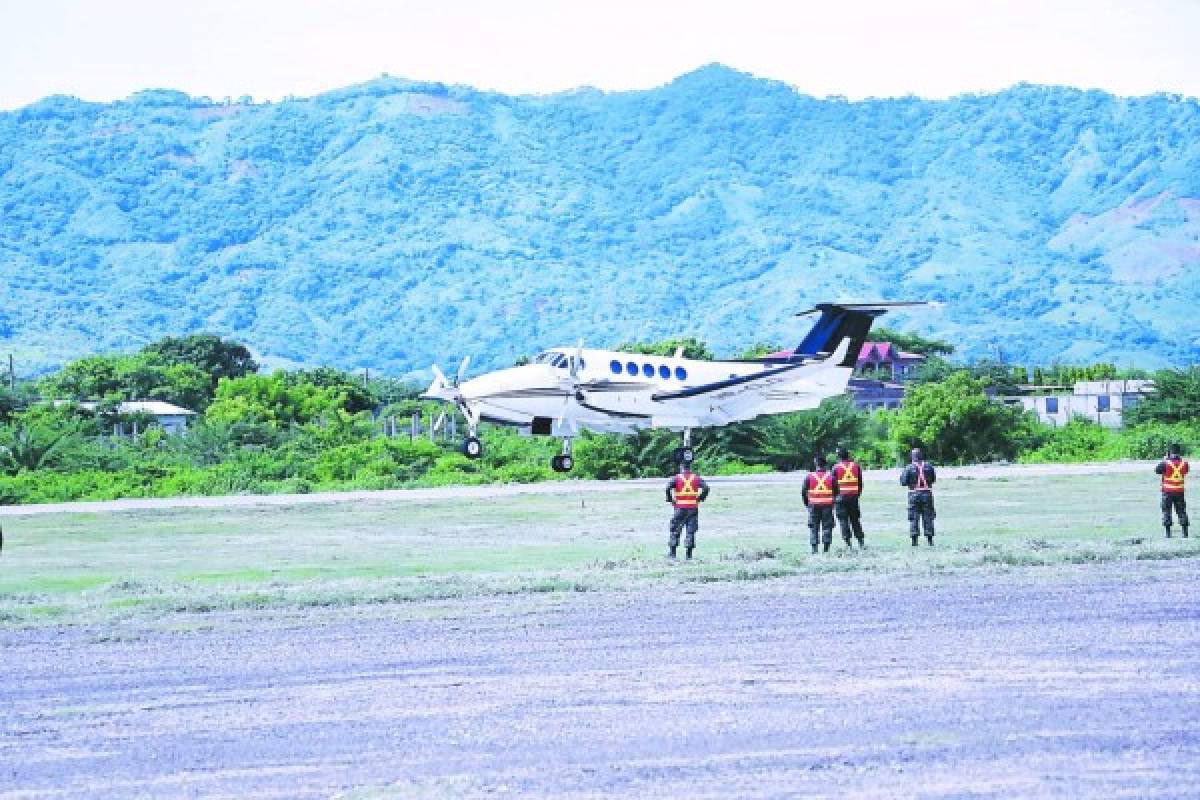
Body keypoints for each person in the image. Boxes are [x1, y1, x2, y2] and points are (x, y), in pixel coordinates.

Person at [665, 461, 710, 560]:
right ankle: (688, 555)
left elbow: (668, 487)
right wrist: (700, 498)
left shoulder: (676, 478)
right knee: (691, 531)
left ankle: (672, 554)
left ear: (681, 467)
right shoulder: (696, 478)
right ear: (690, 468)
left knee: (675, 529)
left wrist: (669, 498)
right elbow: (706, 488)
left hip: (679, 508)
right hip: (693, 508)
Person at [802, 454, 839, 554]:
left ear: (816, 464)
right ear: (825, 464)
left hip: (813, 506)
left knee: (814, 527)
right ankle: (826, 549)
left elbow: (804, 492)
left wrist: (808, 504)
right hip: (827, 506)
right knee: (827, 527)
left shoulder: (809, 476)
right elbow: (837, 492)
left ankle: (814, 550)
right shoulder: (831, 477)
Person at [900, 448, 937, 546]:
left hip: (914, 494)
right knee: (928, 517)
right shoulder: (929, 466)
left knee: (913, 517)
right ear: (921, 456)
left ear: (912, 457)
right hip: (927, 494)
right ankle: (930, 540)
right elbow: (933, 480)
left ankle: (914, 541)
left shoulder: (908, 467)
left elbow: (903, 482)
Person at [833, 446, 866, 548]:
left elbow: (832, 485)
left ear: (838, 456)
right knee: (855, 519)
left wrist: (834, 498)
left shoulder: (835, 468)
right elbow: (860, 483)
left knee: (843, 521)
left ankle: (848, 544)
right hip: (853, 497)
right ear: (848, 454)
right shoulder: (856, 466)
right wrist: (857, 494)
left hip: (840, 499)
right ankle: (861, 542)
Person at [1155, 443, 1189, 538]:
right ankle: (1185, 532)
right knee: (1182, 511)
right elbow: (1186, 471)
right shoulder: (1184, 464)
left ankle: (1168, 534)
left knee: (1166, 511)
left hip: (1167, 492)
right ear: (1179, 452)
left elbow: (1157, 470)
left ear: (1169, 452)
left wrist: (1165, 459)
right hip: (1179, 492)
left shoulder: (1165, 463)